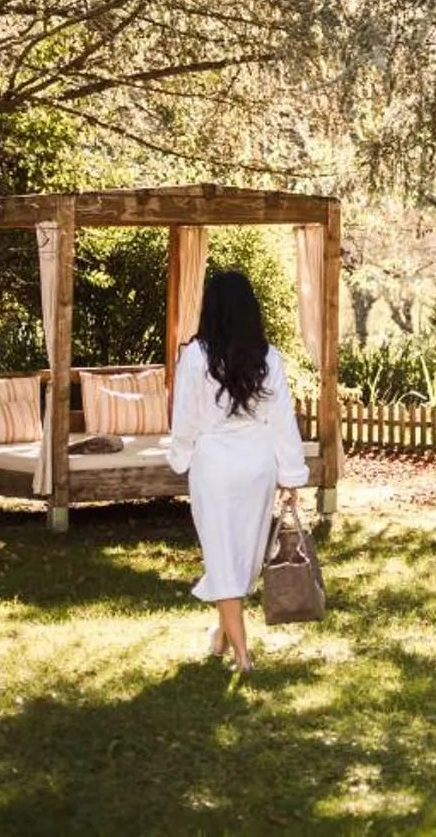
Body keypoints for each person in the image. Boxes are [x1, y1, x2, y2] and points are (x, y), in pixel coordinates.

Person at [166, 270, 309, 671]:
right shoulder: (268, 357)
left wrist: (179, 456)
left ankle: (243, 656)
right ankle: (222, 635)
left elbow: (186, 418)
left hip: (214, 465)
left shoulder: (195, 357)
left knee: (225, 555)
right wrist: (290, 475)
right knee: (239, 556)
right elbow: (283, 420)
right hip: (257, 465)